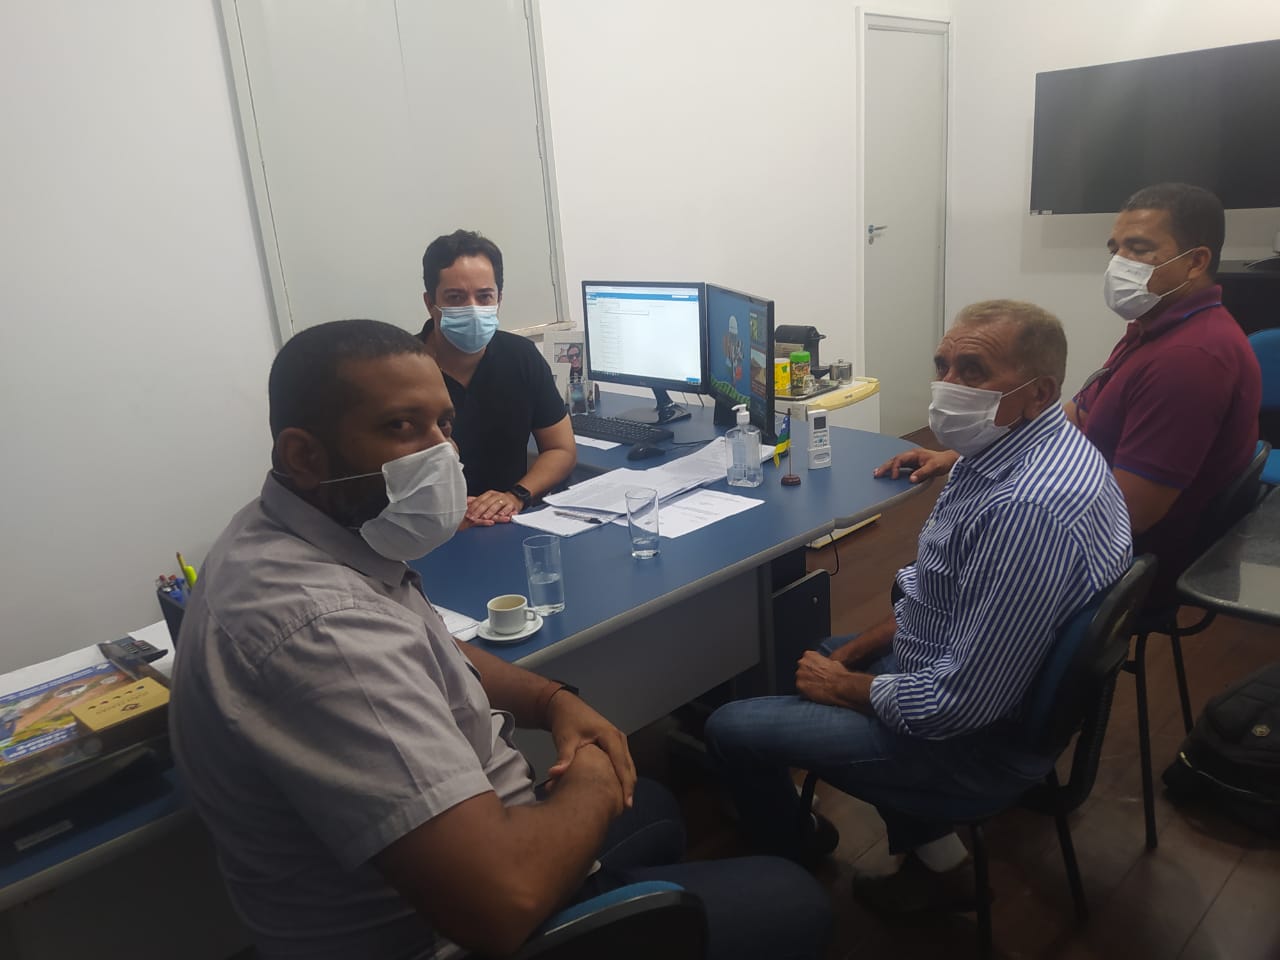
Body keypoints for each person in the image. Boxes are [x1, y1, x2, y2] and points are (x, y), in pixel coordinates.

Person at [169, 319, 829, 960]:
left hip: (482, 842)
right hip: (461, 931)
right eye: (401, 426)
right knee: (793, 899)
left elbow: (428, 645)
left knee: (653, 807)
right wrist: (594, 774)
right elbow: (503, 903)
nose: (443, 452)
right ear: (304, 455)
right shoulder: (322, 629)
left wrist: (550, 700)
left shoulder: (286, 532)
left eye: (443, 424)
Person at [705, 301, 1133, 912]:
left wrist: (845, 686)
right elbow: (941, 598)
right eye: (943, 365)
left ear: (1038, 393)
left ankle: (791, 869)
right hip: (975, 675)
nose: (947, 385)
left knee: (729, 728)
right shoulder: (1031, 446)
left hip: (973, 740)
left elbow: (955, 705)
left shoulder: (1025, 510)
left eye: (973, 370)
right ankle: (941, 862)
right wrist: (847, 661)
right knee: (826, 652)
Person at [878, 184, 1261, 606]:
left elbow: (1130, 515)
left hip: (1127, 564)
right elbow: (1077, 414)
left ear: (1195, 262)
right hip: (1098, 523)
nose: (1119, 263)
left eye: (1138, 249)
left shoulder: (1190, 359)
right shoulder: (1153, 329)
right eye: (1115, 249)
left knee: (930, 578)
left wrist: (1013, 508)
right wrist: (960, 452)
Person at [417, 229, 576, 526]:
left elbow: (561, 449)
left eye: (484, 296)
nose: (473, 308)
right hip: (429, 529)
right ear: (430, 302)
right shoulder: (401, 372)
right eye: (455, 297)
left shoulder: (521, 357)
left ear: (499, 299)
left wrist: (516, 496)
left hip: (508, 521)